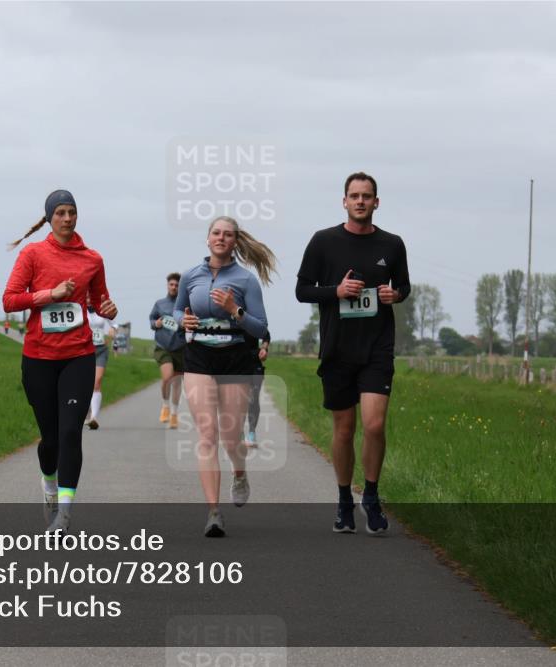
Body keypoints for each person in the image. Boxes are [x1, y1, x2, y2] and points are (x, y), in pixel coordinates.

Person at [295, 172, 410, 535]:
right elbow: (302, 290)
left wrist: (395, 295)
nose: (361, 201)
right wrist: (337, 291)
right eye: (355, 196)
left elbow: (403, 285)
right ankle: (344, 499)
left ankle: (371, 496)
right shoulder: (323, 241)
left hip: (377, 346)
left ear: (377, 202)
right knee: (344, 430)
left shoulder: (392, 244)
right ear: (344, 201)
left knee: (374, 425)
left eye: (367, 196)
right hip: (337, 347)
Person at [2, 190, 117, 533]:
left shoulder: (92, 259)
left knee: (70, 433)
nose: (67, 218)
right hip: (38, 357)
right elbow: (9, 300)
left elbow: (101, 301)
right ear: (50, 218)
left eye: (72, 212)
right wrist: (49, 295)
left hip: (78, 355)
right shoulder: (33, 254)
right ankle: (50, 487)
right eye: (61, 213)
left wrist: (109, 309)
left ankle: (64, 514)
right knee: (50, 439)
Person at [175, 216, 275, 537]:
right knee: (207, 435)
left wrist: (235, 310)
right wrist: (183, 321)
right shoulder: (191, 275)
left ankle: (239, 472)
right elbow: (177, 310)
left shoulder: (246, 280)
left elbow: (261, 328)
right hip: (199, 357)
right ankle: (214, 512)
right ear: (207, 239)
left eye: (228, 234)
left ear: (235, 242)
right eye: (216, 233)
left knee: (231, 439)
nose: (221, 238)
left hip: (235, 358)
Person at [149, 272, 186, 429]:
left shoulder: (185, 305)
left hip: (180, 347)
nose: (174, 287)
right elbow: (151, 320)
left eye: (177, 285)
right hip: (162, 347)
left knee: (177, 383)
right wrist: (156, 324)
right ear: (167, 285)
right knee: (167, 376)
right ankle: (165, 405)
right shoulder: (160, 304)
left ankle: (174, 414)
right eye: (171, 284)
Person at [86, 295, 117, 430]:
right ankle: (86, 411)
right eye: (86, 297)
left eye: (90, 296)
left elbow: (114, 323)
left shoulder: (101, 309)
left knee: (97, 381)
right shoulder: (79, 309)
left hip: (100, 349)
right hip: (84, 349)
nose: (88, 299)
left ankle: (94, 417)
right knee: (85, 384)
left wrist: (112, 330)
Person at [243, 331, 271, 448]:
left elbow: (265, 335)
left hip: (254, 362)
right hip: (234, 362)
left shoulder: (254, 320)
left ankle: (251, 432)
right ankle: (238, 432)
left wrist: (264, 348)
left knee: (253, 399)